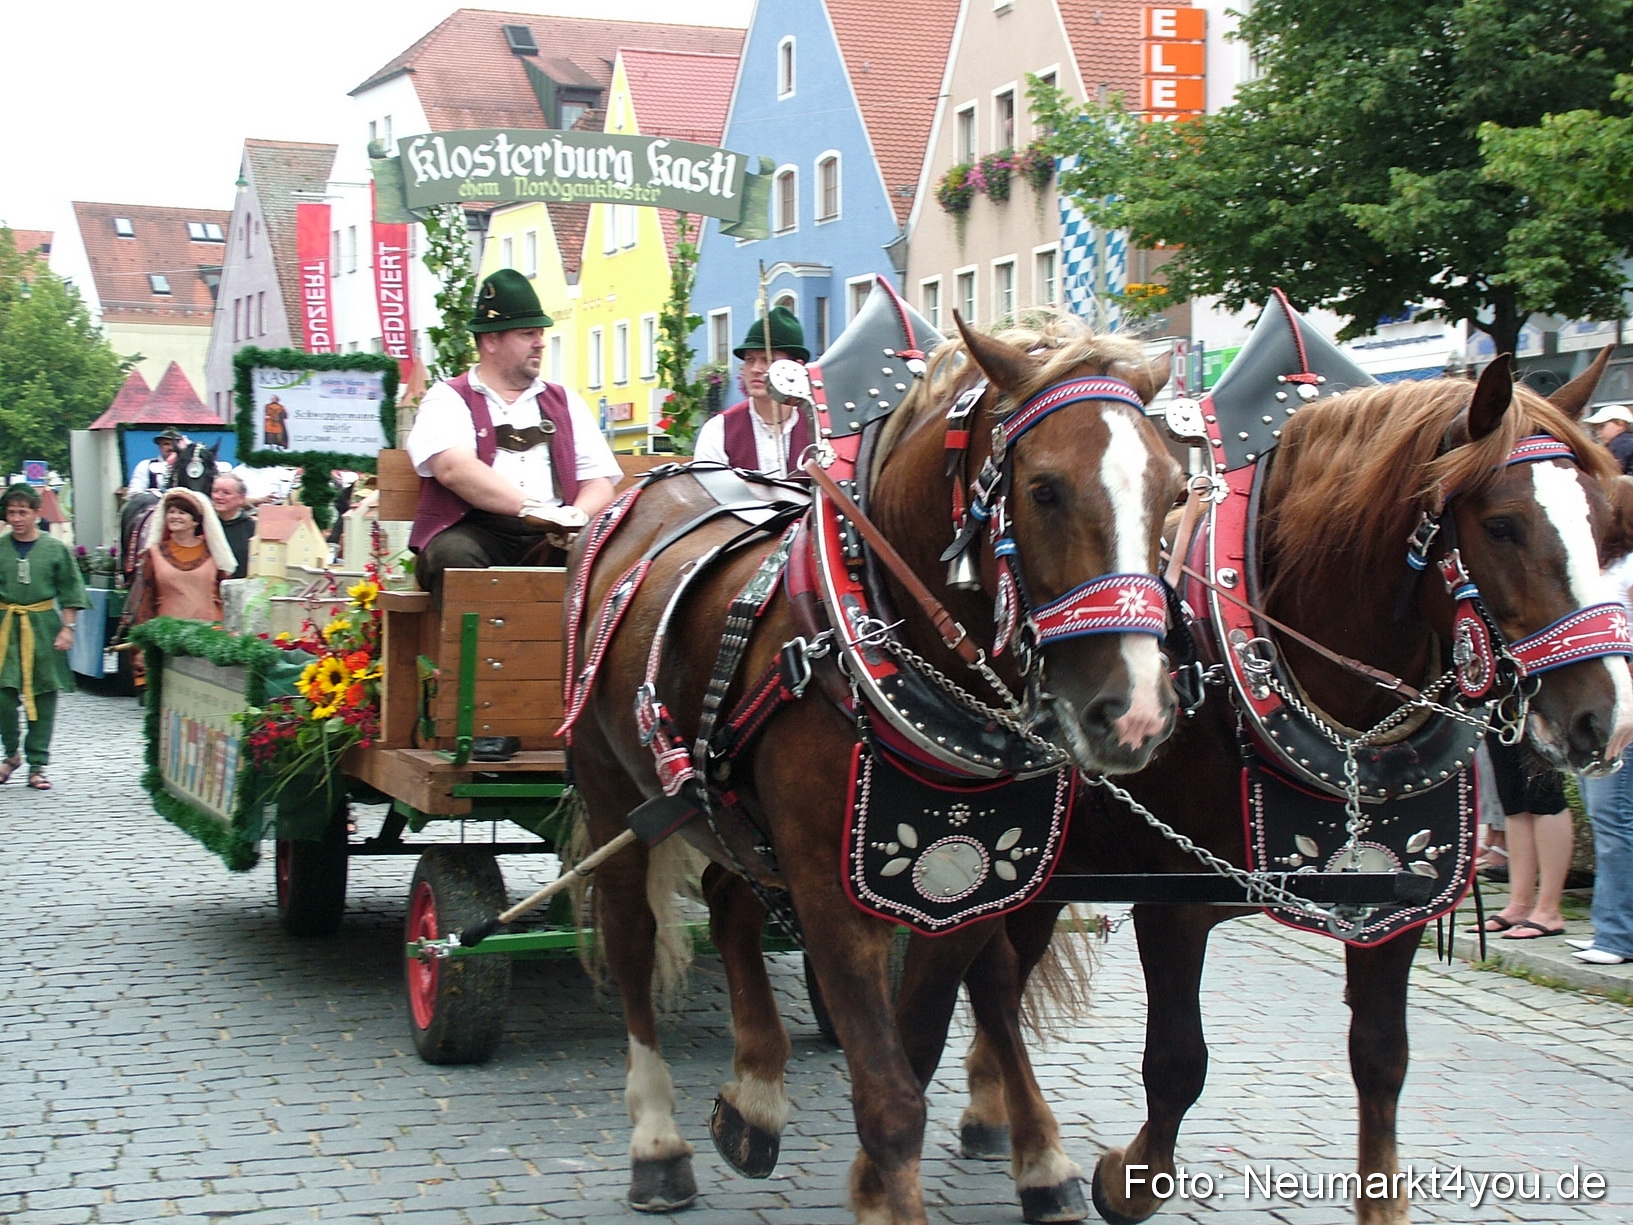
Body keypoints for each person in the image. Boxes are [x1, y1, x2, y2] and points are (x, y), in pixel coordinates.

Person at [407, 268, 620, 603]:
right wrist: (532, 509)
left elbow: (599, 481)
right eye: (527, 334)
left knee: (612, 566)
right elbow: (455, 469)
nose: (540, 343)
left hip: (555, 536)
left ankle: (582, 656)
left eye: (540, 333)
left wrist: (577, 516)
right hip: (478, 532)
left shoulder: (565, 401)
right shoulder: (448, 398)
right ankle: (474, 655)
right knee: (453, 559)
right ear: (491, 340)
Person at [1, 483, 89, 791]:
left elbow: (70, 591)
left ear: (37, 513)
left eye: (23, 512)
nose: (17, 518)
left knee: (44, 695)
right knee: (2, 697)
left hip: (43, 626)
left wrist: (68, 628)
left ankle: (37, 764)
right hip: (5, 628)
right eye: (12, 512)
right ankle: (11, 755)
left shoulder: (54, 549)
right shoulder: (0, 548)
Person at [1571, 548, 1633, 966]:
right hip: (1599, 701)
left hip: (1621, 705)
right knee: (1606, 815)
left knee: (1614, 815)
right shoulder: (1602, 563)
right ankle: (1608, 926)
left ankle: (1617, 934)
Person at [1467, 737, 1572, 941]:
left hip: (1538, 707)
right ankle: (1519, 905)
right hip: (1498, 706)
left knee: (1545, 794)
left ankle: (1549, 910)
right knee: (1511, 797)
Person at [693, 306, 813, 478]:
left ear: (797, 367)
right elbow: (707, 496)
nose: (756, 369)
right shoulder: (719, 429)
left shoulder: (819, 427)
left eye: (768, 360)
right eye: (750, 360)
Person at [129, 488, 236, 626]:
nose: (175, 517)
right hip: (167, 633)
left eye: (182, 513)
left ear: (195, 521)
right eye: (171, 512)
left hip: (208, 634)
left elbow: (225, 595)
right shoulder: (155, 553)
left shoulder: (213, 553)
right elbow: (146, 597)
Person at [210, 473, 256, 580]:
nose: (218, 497)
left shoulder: (253, 528)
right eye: (215, 491)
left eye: (226, 493)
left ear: (241, 498)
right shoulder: (203, 524)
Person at [127, 428, 182, 494]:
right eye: (166, 444)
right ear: (160, 446)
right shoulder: (145, 465)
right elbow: (135, 491)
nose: (171, 447)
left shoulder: (189, 466)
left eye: (174, 444)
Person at [1584, 404, 1633, 475]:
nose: (1598, 432)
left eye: (1602, 426)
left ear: (1620, 424)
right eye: (1595, 429)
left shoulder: (1621, 444)